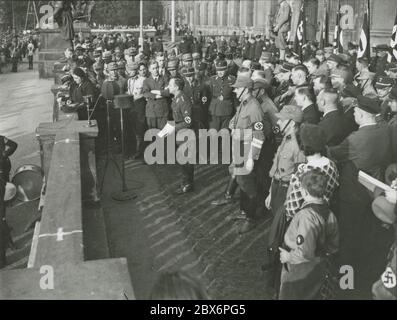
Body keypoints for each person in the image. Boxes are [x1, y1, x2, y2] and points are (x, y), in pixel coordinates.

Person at [278, 169, 339, 300]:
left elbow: (304, 253)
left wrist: (289, 257)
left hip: (299, 271)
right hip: (319, 266)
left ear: (304, 192)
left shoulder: (306, 216)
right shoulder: (331, 214)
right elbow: (333, 247)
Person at [228, 76, 266, 234]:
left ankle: (250, 218)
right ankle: (244, 212)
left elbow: (259, 136)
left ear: (245, 89)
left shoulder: (254, 107)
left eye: (237, 88)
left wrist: (252, 157)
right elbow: (235, 122)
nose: (235, 90)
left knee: (248, 186)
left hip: (247, 151)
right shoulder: (244, 105)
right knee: (241, 181)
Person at [163, 77, 195, 194]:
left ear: (176, 87)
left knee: (186, 161)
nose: (168, 87)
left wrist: (173, 128)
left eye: (170, 85)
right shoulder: (176, 98)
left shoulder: (182, 99)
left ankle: (187, 184)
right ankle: (186, 182)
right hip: (180, 133)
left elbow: (188, 122)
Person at [0, 135, 18, 269]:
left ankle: (8, 243)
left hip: (2, 178)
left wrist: (4, 155)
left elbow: (13, 145)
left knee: (2, 216)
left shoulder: (1, 138)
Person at [208, 60, 236, 131]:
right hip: (214, 109)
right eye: (218, 70)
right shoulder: (212, 79)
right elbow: (209, 94)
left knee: (225, 132)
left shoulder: (232, 79)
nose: (220, 72)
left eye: (222, 70)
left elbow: (234, 96)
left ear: (226, 69)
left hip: (227, 109)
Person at [142, 61, 170, 130]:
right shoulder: (146, 81)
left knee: (164, 135)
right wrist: (156, 96)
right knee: (153, 136)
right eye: (153, 68)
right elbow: (145, 93)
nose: (156, 70)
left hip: (163, 112)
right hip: (151, 112)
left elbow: (168, 92)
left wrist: (154, 91)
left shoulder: (164, 79)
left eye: (157, 67)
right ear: (149, 70)